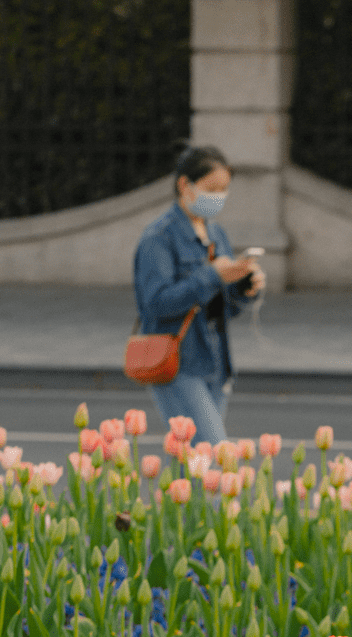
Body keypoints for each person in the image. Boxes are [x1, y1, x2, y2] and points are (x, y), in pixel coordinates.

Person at [133, 145, 265, 445]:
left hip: (216, 361)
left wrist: (243, 288)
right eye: (211, 188)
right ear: (185, 185)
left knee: (192, 468)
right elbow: (155, 304)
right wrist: (212, 275)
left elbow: (223, 308)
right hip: (178, 363)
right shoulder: (159, 238)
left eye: (224, 189)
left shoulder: (216, 234)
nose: (218, 197)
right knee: (212, 460)